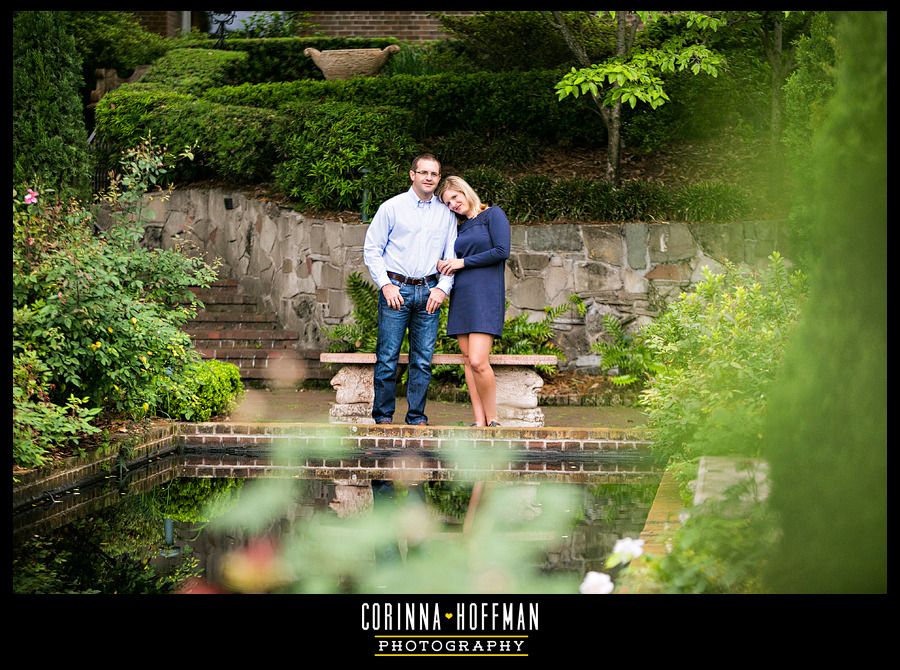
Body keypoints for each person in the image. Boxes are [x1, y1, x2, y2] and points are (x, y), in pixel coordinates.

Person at [363, 154, 458, 425]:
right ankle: (382, 418)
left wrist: (442, 289)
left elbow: (451, 255)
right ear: (412, 174)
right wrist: (385, 285)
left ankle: (416, 417)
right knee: (387, 358)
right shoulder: (392, 208)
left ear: (439, 178)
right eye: (424, 172)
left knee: (422, 361)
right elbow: (372, 249)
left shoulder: (445, 213)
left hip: (429, 292)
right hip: (396, 291)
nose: (429, 178)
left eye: (434, 174)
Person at [436, 176, 510, 427]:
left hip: (486, 295)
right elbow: (450, 255)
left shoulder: (493, 215)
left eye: (455, 198)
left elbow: (502, 251)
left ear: (465, 191)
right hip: (463, 295)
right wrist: (444, 264)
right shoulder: (459, 228)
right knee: (468, 361)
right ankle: (479, 420)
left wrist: (462, 262)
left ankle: (493, 419)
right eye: (448, 203)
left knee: (479, 360)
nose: (453, 204)